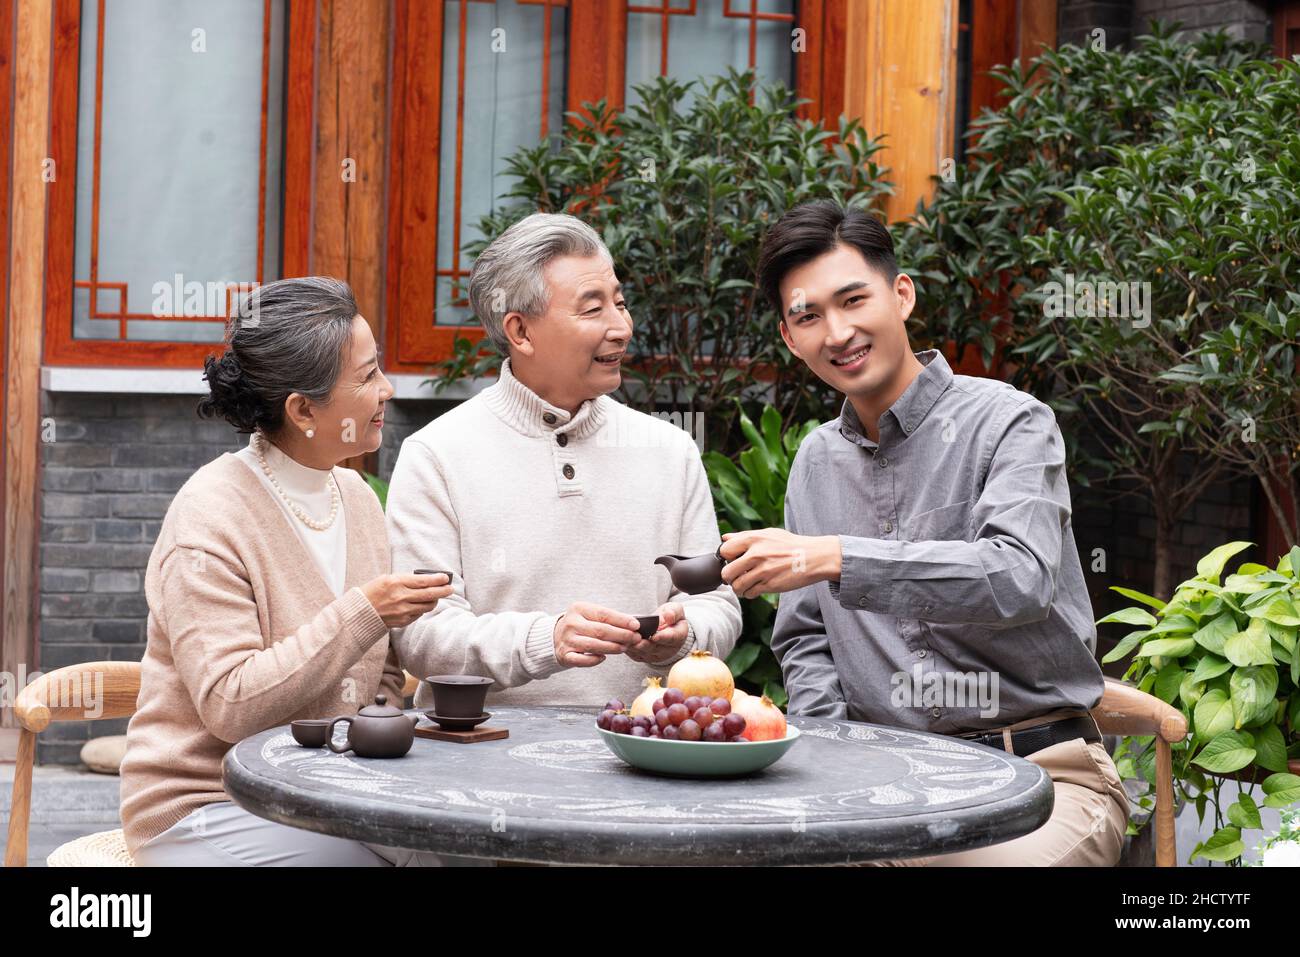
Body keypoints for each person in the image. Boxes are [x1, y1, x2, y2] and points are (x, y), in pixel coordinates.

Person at [718, 201, 1129, 866]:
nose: (839, 330)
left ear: (901, 293)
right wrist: (834, 768)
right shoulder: (816, 462)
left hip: (1038, 776)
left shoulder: (1010, 423)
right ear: (790, 338)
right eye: (809, 315)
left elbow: (1018, 578)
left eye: (854, 299)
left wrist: (837, 556)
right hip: (882, 789)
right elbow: (806, 641)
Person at [120, 277, 455, 866]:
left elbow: (379, 682)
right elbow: (230, 704)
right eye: (368, 375)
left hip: (328, 791)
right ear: (302, 409)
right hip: (211, 803)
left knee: (455, 850)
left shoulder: (355, 496)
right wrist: (364, 612)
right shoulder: (211, 515)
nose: (387, 389)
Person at [387, 212, 741, 712]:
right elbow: (422, 636)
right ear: (521, 331)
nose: (621, 327)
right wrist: (546, 640)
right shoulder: (437, 454)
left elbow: (715, 604)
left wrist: (684, 636)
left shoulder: (669, 448)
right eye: (592, 309)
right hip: (479, 761)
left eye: (619, 303)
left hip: (644, 752)